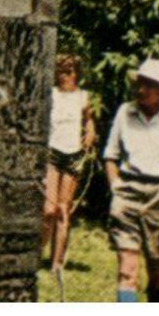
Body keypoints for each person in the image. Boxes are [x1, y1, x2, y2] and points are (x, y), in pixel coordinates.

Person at [101, 58, 159, 303]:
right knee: (127, 271)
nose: (141, 90)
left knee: (157, 272)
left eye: (149, 85)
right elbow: (110, 155)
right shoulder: (124, 112)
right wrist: (116, 188)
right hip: (128, 194)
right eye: (140, 84)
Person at [42, 53, 95, 298]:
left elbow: (89, 121)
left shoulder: (83, 97)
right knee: (48, 210)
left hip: (74, 155)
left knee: (64, 210)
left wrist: (90, 132)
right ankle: (38, 254)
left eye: (72, 70)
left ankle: (57, 263)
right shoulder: (51, 95)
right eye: (64, 71)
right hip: (53, 153)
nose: (68, 75)